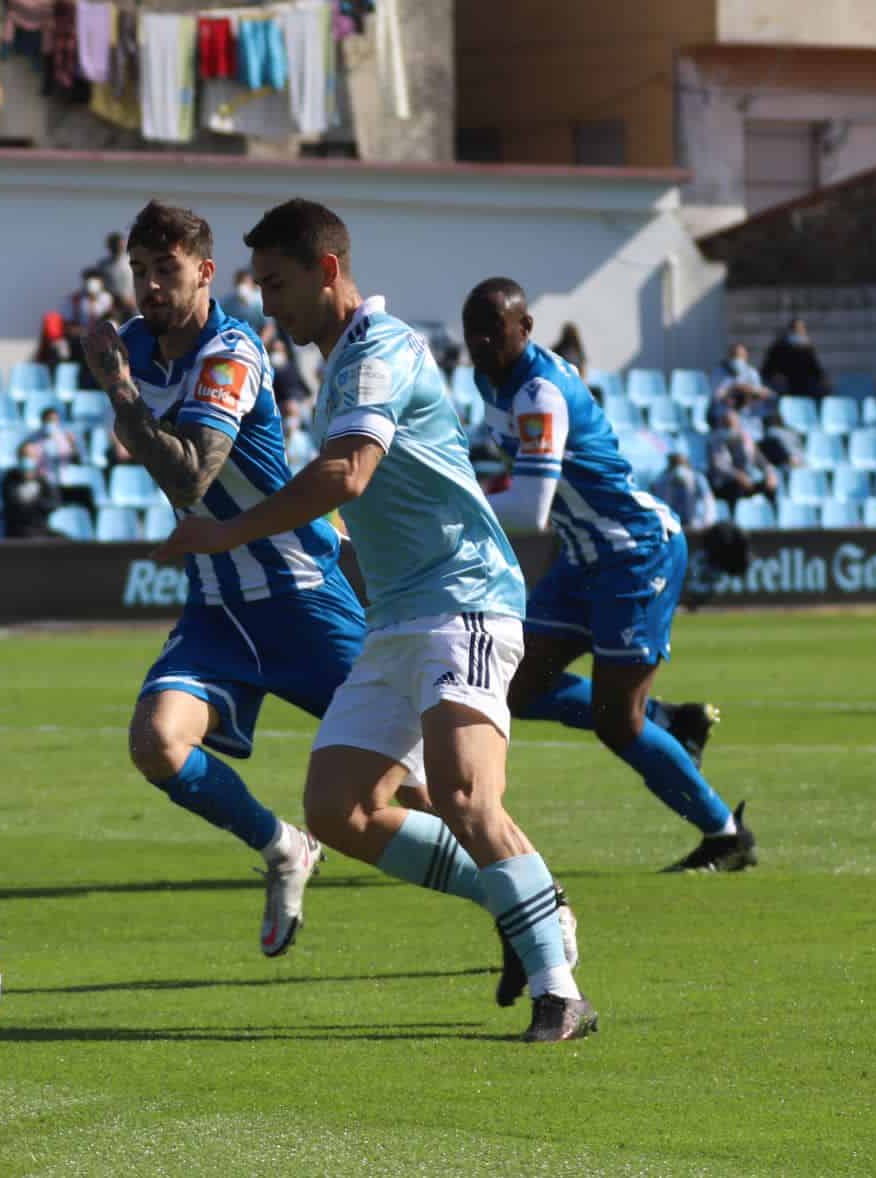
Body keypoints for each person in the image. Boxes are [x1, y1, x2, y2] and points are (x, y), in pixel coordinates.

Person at [157, 198, 595, 1042]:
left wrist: (228, 530)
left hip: (465, 598)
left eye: (277, 283)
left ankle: (560, 987)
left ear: (327, 271)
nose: (267, 303)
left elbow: (349, 473)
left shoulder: (381, 349)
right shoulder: (344, 364)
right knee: (337, 808)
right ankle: (515, 906)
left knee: (467, 796)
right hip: (400, 615)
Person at [79, 199, 361, 960]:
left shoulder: (232, 349)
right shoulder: (139, 343)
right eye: (138, 271)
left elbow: (191, 475)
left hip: (301, 593)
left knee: (410, 787)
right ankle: (282, 846)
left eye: (165, 270)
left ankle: (529, 906)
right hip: (218, 604)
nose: (149, 286)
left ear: (205, 272)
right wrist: (127, 391)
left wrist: (121, 390)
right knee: (157, 742)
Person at [463, 276, 749, 880]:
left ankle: (726, 833)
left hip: (633, 552)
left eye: (494, 331)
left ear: (526, 328)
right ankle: (670, 721)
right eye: (473, 335)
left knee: (618, 724)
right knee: (512, 689)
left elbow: (532, 506)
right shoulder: (489, 380)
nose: (482, 344)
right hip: (583, 555)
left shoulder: (540, 392)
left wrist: (449, 507)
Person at [707, 409, 779, 502]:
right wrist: (739, 476)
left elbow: (761, 460)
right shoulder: (716, 440)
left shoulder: (745, 440)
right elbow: (720, 466)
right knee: (737, 487)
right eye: (728, 423)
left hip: (747, 480)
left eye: (734, 422)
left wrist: (769, 472)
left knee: (771, 485)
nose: (732, 426)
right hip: (725, 483)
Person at [0, 440, 63, 538]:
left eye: (32, 456)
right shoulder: (10, 479)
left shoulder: (42, 479)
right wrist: (36, 504)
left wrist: (34, 503)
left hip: (40, 529)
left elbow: (53, 503)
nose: (28, 460)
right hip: (18, 533)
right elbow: (16, 508)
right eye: (25, 456)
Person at [653, 450, 719, 533]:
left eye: (680, 460)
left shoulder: (698, 478)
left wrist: (706, 523)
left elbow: (708, 502)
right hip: (671, 527)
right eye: (675, 461)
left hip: (695, 526)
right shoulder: (661, 481)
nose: (678, 465)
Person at [761, 317, 825, 398]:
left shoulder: (808, 348)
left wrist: (822, 378)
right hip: (786, 386)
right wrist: (776, 377)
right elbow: (767, 370)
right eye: (798, 329)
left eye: (802, 329)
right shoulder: (779, 348)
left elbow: (815, 369)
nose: (801, 331)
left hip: (805, 385)